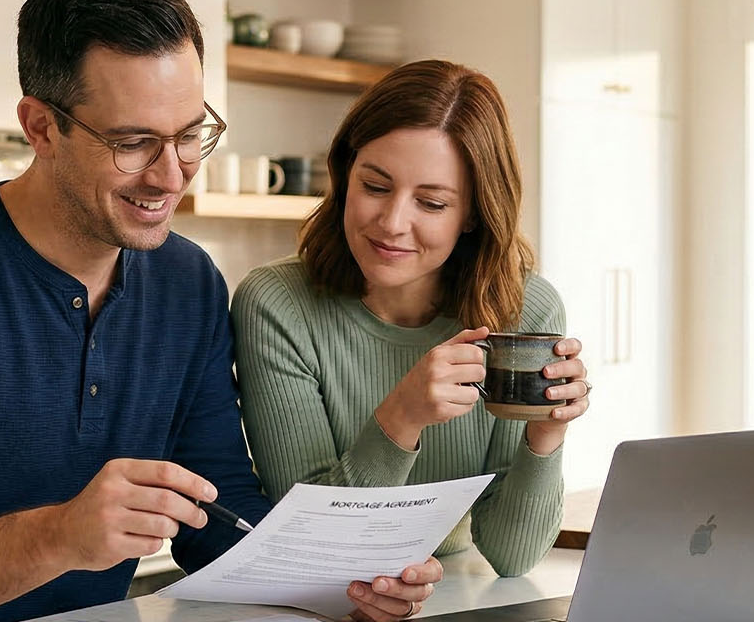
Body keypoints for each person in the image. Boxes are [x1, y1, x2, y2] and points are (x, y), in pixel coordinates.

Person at [0, 0, 439, 622]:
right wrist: (59, 535)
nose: (171, 174)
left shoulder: (187, 283)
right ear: (41, 127)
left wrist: (342, 585)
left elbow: (215, 513)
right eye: (133, 143)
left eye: (191, 135)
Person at [232, 59, 590, 579]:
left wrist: (547, 434)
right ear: (343, 175)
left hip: (446, 606)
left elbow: (512, 558)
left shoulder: (526, 309)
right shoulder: (278, 305)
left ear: (472, 214)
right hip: (318, 608)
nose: (393, 223)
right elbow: (314, 543)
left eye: (431, 202)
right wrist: (401, 417)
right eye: (375, 187)